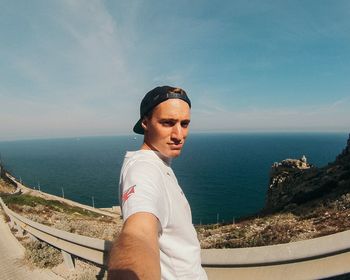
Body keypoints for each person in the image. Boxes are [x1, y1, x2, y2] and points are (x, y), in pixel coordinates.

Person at [108, 86, 207, 280]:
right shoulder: (144, 169)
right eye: (168, 123)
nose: (179, 135)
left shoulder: (158, 163)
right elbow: (139, 233)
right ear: (145, 123)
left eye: (184, 124)